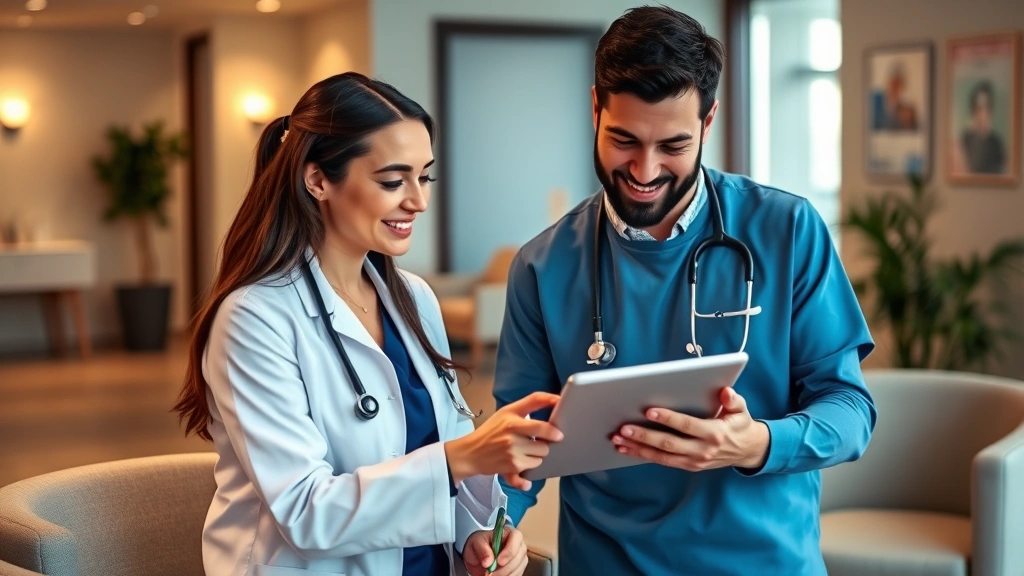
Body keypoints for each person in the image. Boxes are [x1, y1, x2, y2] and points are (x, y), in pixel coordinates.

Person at [493, 7, 876, 576]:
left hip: (764, 564)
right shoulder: (542, 266)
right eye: (624, 140)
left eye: (672, 145)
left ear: (709, 120)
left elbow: (850, 412)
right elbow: (520, 443)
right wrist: (493, 528)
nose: (644, 170)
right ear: (594, 107)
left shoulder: (788, 231)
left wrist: (755, 444)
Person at [172, 72, 563, 576]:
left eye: (425, 177)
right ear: (317, 180)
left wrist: (476, 531)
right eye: (392, 181)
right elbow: (306, 512)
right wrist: (460, 459)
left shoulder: (414, 300)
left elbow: (441, 451)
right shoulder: (254, 319)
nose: (418, 200)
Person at [960, 80, 1006, 174]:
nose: (982, 114)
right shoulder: (966, 139)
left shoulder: (996, 143)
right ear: (973, 111)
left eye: (986, 107)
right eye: (979, 108)